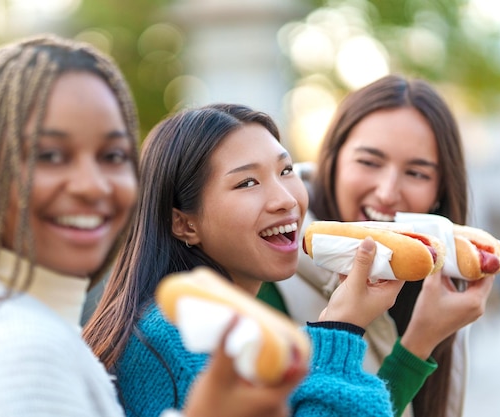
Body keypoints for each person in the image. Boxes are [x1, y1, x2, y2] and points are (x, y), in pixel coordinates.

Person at [0, 35, 303, 417]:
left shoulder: (21, 328)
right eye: (52, 155)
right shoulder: (20, 348)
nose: (93, 185)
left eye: (112, 155)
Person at [83, 103, 408, 417]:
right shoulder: (182, 335)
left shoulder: (227, 323)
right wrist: (341, 327)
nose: (285, 199)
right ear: (184, 223)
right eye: (247, 182)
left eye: (286, 170)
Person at [257, 74, 496, 417]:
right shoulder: (268, 275)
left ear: (439, 193)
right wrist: (416, 347)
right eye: (369, 162)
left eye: (416, 173)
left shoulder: (443, 285)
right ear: (333, 162)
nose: (387, 192)